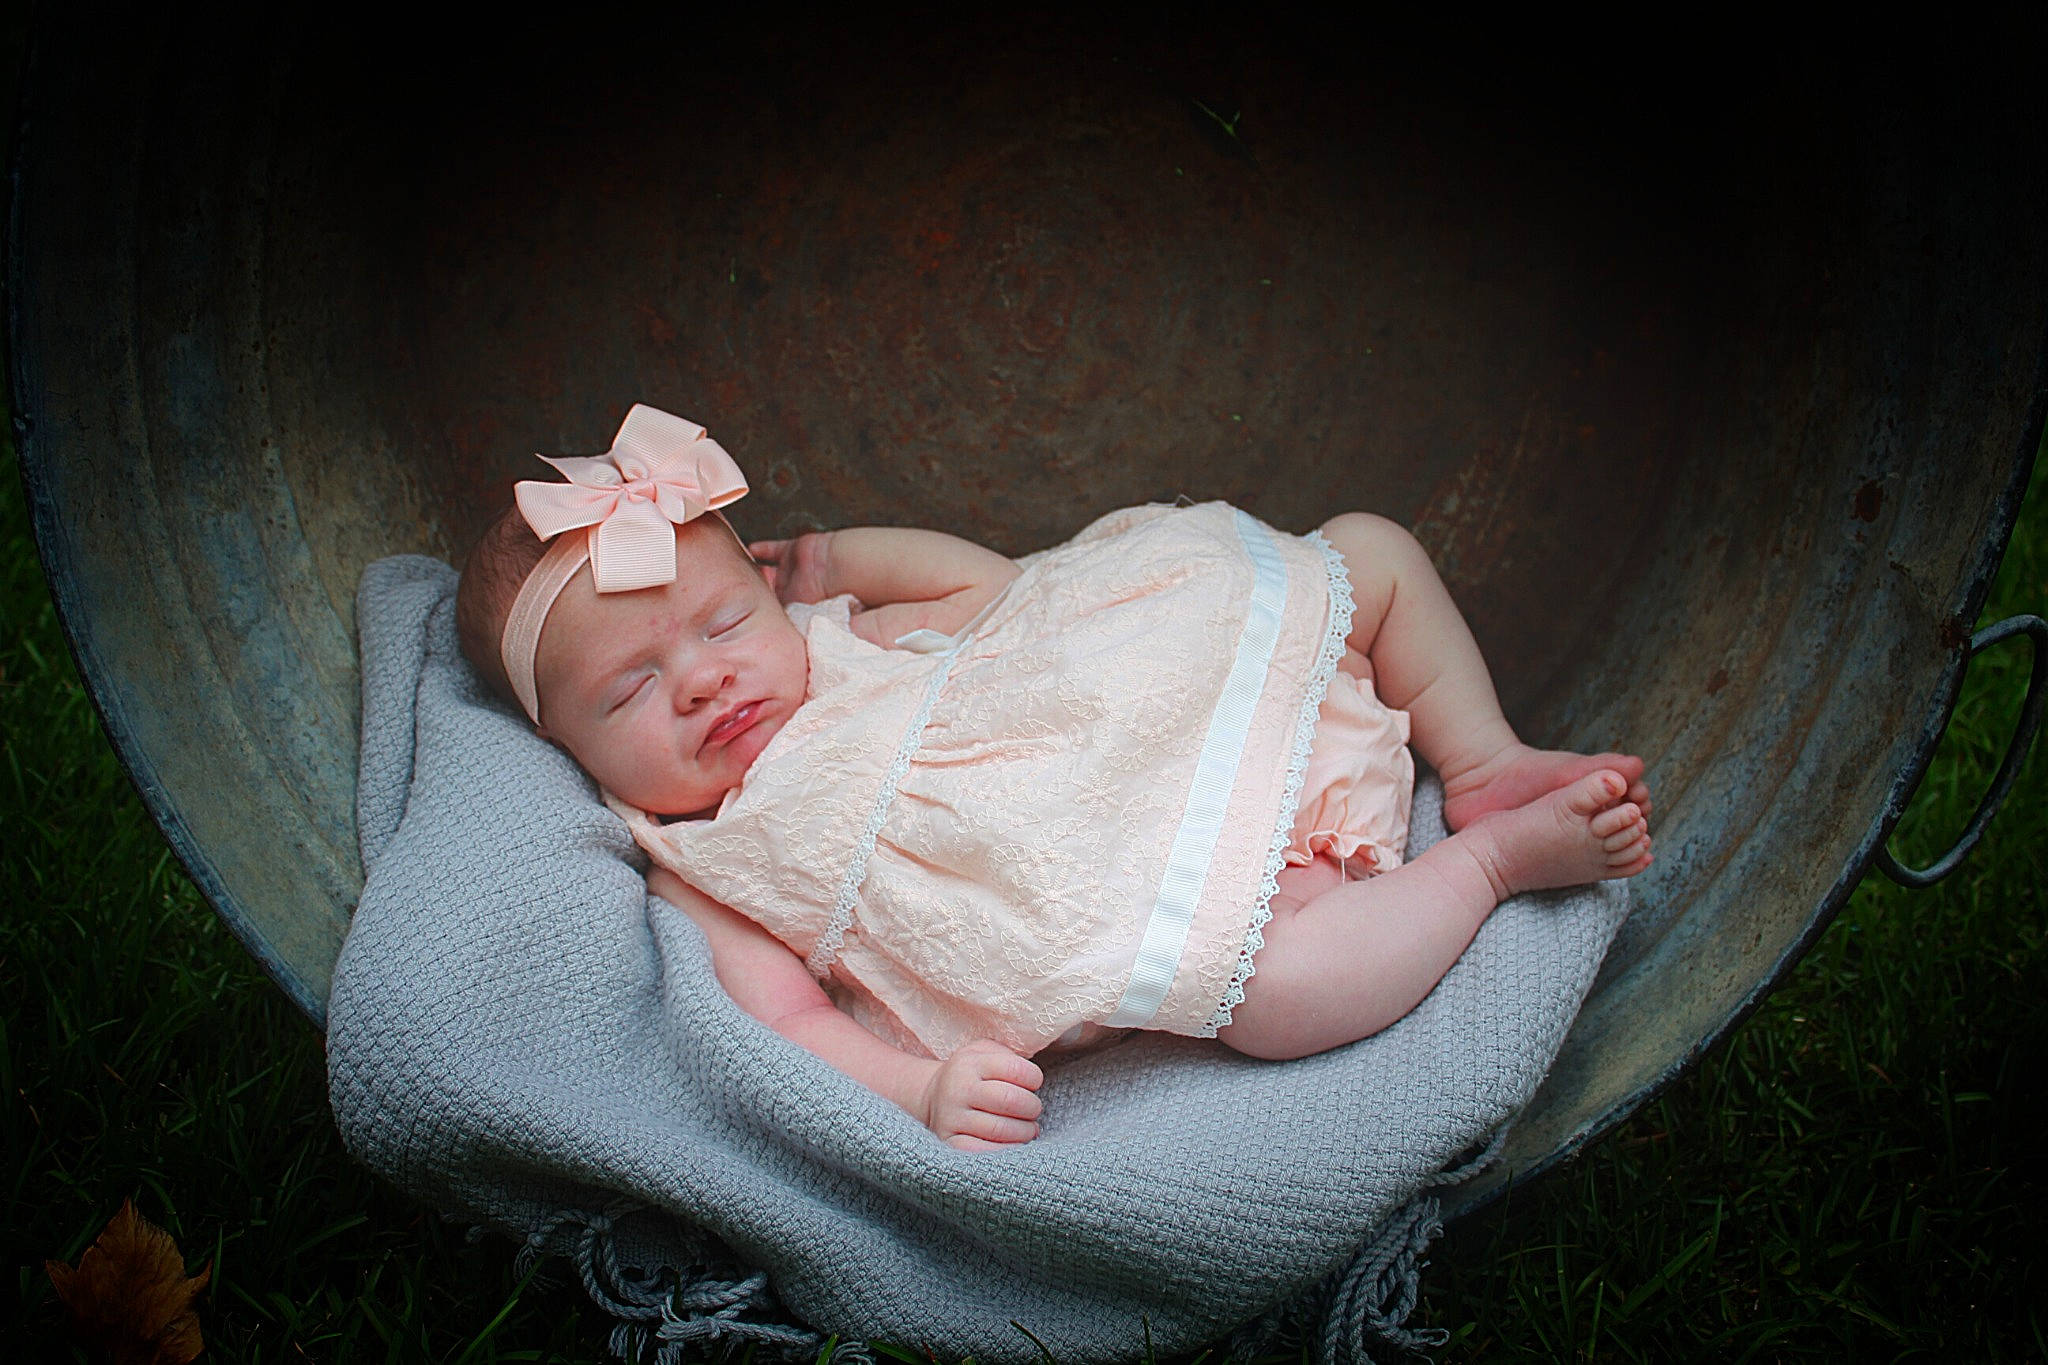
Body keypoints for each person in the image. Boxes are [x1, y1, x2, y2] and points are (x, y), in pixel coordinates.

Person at [456, 405, 1653, 1150]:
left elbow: (1000, 593)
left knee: (1365, 554)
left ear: (770, 594)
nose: (702, 681)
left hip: (1166, 715)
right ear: (564, 748)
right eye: (628, 692)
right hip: (1156, 904)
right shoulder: (699, 859)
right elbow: (787, 1019)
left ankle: (1481, 759)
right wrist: (916, 1090)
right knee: (1281, 995)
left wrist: (833, 562)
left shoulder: (840, 640)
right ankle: (1487, 864)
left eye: (723, 623)